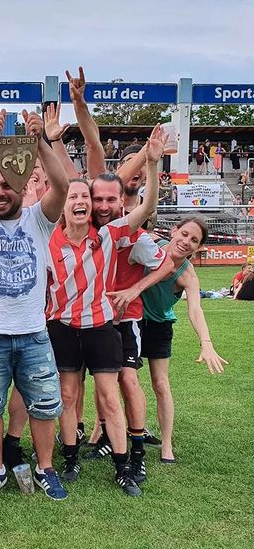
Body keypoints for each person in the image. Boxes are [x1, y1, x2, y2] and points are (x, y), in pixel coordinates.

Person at [46, 125, 166, 496]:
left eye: (86, 196)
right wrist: (49, 142)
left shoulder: (110, 233)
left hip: (100, 327)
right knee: (67, 396)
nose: (80, 201)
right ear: (63, 203)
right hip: (63, 327)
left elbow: (145, 207)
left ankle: (122, 466)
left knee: (110, 396)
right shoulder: (48, 236)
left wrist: (152, 164)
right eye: (74, 196)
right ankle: (69, 458)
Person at [0, 107, 69, 500]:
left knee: (43, 405)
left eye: (8, 185)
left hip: (33, 334)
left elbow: (62, 183)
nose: (1, 191)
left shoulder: (40, 219)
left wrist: (39, 140)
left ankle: (46, 467)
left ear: (22, 188)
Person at [88, 170, 175, 482]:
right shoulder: (86, 231)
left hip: (124, 320)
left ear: (121, 203)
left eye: (111, 199)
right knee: (100, 385)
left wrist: (135, 290)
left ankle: (137, 452)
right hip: (90, 320)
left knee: (128, 380)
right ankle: (106, 439)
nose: (103, 204)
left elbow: (167, 265)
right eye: (98, 198)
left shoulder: (133, 237)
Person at [141, 217, 228, 462]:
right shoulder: (151, 246)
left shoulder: (186, 274)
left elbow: (195, 309)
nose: (186, 242)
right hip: (133, 321)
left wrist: (206, 343)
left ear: (199, 248)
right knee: (123, 379)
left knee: (160, 384)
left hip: (159, 325)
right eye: (184, 234)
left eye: (194, 240)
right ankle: (104, 431)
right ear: (174, 231)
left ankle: (166, 444)